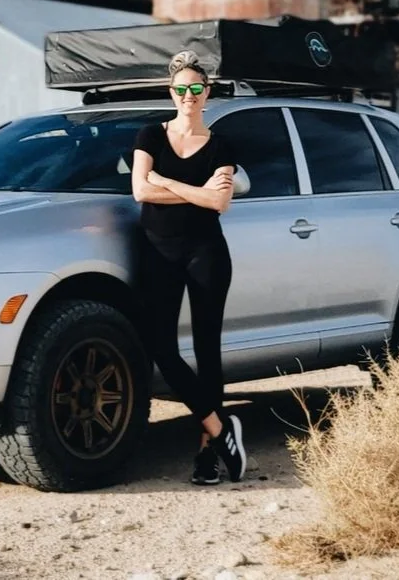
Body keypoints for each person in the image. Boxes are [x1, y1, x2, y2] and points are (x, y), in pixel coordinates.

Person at [131, 50, 248, 486]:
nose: (188, 96)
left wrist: (168, 181)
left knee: (207, 352)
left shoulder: (221, 144)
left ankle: (208, 456)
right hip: (157, 251)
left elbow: (219, 202)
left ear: (207, 92)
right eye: (181, 89)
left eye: (196, 89)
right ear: (171, 92)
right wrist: (194, 190)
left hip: (206, 253)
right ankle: (222, 430)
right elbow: (140, 192)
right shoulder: (150, 135)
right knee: (160, 346)